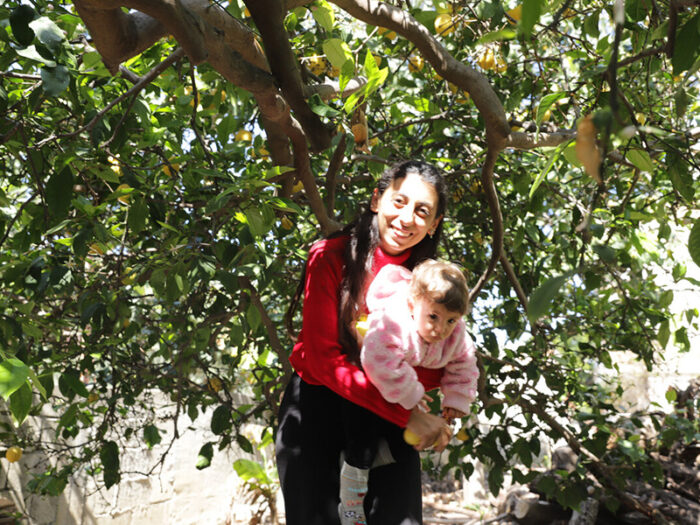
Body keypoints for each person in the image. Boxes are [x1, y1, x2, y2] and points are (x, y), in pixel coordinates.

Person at [275, 160, 453, 525]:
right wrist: (409, 413)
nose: (407, 218)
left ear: (434, 224)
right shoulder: (330, 256)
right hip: (316, 412)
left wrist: (446, 407)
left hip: (383, 415)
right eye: (399, 202)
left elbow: (437, 358)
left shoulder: (430, 284)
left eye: (422, 211)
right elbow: (324, 361)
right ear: (377, 200)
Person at [338, 259, 479, 525]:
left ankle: (375, 457)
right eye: (434, 317)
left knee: (402, 444)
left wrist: (457, 398)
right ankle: (351, 498)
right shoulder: (393, 319)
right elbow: (378, 360)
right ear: (414, 304)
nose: (440, 329)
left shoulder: (456, 335)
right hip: (367, 391)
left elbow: (465, 363)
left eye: (451, 320)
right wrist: (412, 396)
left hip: (397, 395)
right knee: (362, 432)